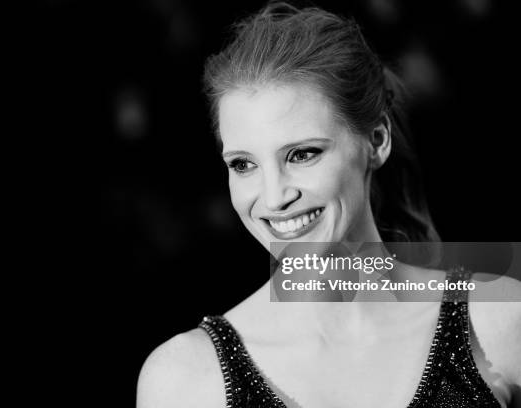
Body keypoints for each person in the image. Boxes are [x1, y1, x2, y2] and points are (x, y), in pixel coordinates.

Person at [137, 3, 521, 407]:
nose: (273, 197)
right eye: (243, 164)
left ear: (376, 141)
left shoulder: (498, 318)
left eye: (302, 155)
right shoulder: (186, 379)